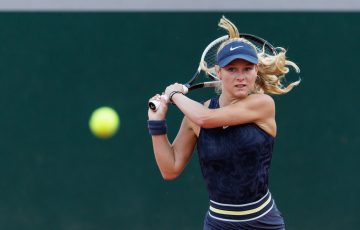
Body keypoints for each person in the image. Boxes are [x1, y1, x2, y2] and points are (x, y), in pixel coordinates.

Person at [147, 16, 300, 230]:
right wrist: (157, 124)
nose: (241, 76)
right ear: (218, 72)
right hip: (218, 224)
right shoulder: (196, 114)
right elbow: (170, 169)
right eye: (232, 69)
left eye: (247, 69)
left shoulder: (263, 104)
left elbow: (206, 119)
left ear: (256, 71)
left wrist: (174, 94)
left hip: (263, 223)